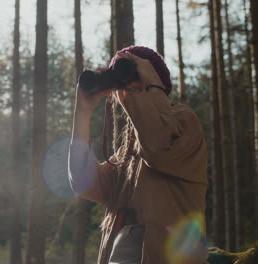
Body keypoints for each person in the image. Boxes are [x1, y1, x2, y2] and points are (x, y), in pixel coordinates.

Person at [68, 46, 209, 264]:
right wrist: (83, 111)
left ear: (156, 81)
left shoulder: (184, 122)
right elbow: (83, 182)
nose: (127, 90)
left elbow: (160, 149)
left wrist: (151, 88)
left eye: (135, 74)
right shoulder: (128, 154)